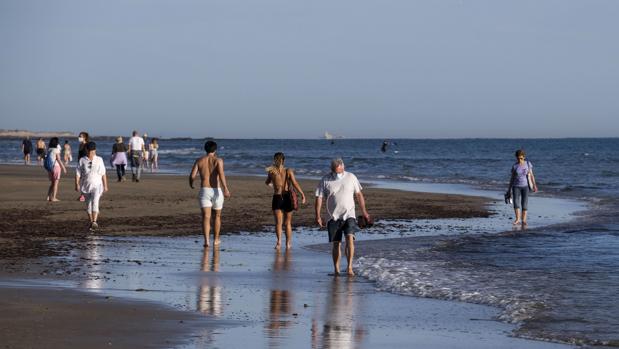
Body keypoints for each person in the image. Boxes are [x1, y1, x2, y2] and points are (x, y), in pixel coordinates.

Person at [315, 158, 370, 276]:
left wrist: (364, 211)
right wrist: (318, 215)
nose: (337, 174)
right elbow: (319, 198)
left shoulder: (351, 177)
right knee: (336, 243)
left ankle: (350, 267)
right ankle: (336, 269)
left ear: (343, 167)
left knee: (350, 238)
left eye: (339, 172)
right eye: (335, 172)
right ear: (331, 170)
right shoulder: (325, 179)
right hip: (332, 216)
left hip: (349, 214)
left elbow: (359, 194)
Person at [189, 140, 231, 247]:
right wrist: (226, 188)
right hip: (216, 190)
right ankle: (216, 239)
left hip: (205, 190)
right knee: (217, 216)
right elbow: (221, 175)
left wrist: (191, 184)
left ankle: (206, 241)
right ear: (215, 150)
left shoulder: (199, 160)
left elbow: (192, 175)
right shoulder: (218, 160)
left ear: (205, 149)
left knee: (206, 217)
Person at [265, 152, 306, 249]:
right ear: (284, 160)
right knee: (287, 223)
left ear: (275, 160)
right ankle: (287, 244)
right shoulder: (288, 171)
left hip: (278, 196)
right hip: (286, 197)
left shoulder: (271, 171)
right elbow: (295, 183)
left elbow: (267, 182)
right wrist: (302, 194)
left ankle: (279, 243)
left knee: (279, 223)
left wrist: (273, 186)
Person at [75, 141, 108, 231]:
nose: (91, 153)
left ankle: (94, 221)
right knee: (88, 205)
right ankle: (91, 222)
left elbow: (103, 173)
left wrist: (105, 185)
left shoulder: (99, 159)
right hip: (85, 186)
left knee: (95, 201)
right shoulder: (82, 160)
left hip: (97, 185)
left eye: (93, 152)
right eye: (89, 151)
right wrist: (76, 184)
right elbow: (78, 173)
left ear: (95, 151)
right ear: (86, 150)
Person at [507, 149, 538, 226]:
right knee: (516, 203)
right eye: (518, 158)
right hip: (516, 186)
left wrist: (534, 185)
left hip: (525, 186)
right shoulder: (515, 166)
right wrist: (509, 189)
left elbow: (532, 175)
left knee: (524, 203)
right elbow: (512, 178)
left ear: (524, 157)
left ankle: (524, 220)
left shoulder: (528, 164)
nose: (519, 160)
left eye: (521, 158)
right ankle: (517, 219)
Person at [45, 137, 67, 202]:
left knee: (52, 183)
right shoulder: (56, 150)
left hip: (50, 168)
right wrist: (63, 167)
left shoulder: (49, 149)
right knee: (56, 183)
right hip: (56, 167)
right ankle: (54, 197)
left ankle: (48, 197)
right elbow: (58, 159)